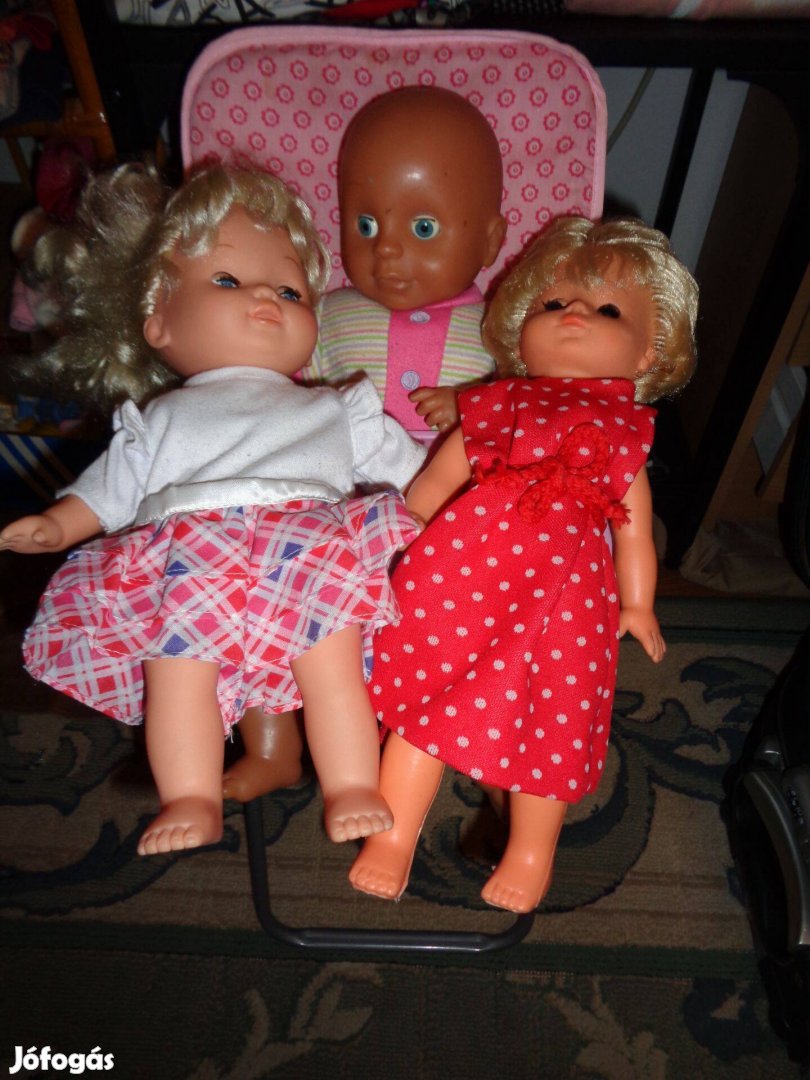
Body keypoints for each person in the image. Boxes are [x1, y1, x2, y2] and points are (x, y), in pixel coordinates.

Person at [0, 163, 426, 856]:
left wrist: (452, 505)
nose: (264, 296)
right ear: (159, 321)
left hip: (308, 551)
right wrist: (59, 523)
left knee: (333, 670)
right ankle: (191, 795)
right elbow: (112, 488)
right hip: (190, 560)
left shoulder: (334, 407)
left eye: (288, 290)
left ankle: (352, 783)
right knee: (177, 677)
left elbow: (413, 472)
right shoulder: (160, 417)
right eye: (226, 280)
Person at [348, 215, 699, 913]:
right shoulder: (500, 401)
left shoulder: (623, 426)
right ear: (518, 324)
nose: (574, 314)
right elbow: (437, 480)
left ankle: (531, 854)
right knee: (425, 707)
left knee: (551, 724)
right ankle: (392, 835)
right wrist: (397, 535)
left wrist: (638, 603)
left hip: (566, 601)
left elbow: (633, 528)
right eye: (554, 301)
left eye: (607, 311)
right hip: (461, 580)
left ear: (649, 351)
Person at [223, 85, 507, 802]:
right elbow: (279, 384)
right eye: (366, 222)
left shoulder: (501, 327)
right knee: (267, 594)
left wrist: (475, 406)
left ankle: (488, 760)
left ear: (490, 241)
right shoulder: (325, 314)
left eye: (423, 227)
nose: (387, 251)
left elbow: (529, 409)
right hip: (335, 506)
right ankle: (273, 744)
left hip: (450, 518)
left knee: (490, 627)